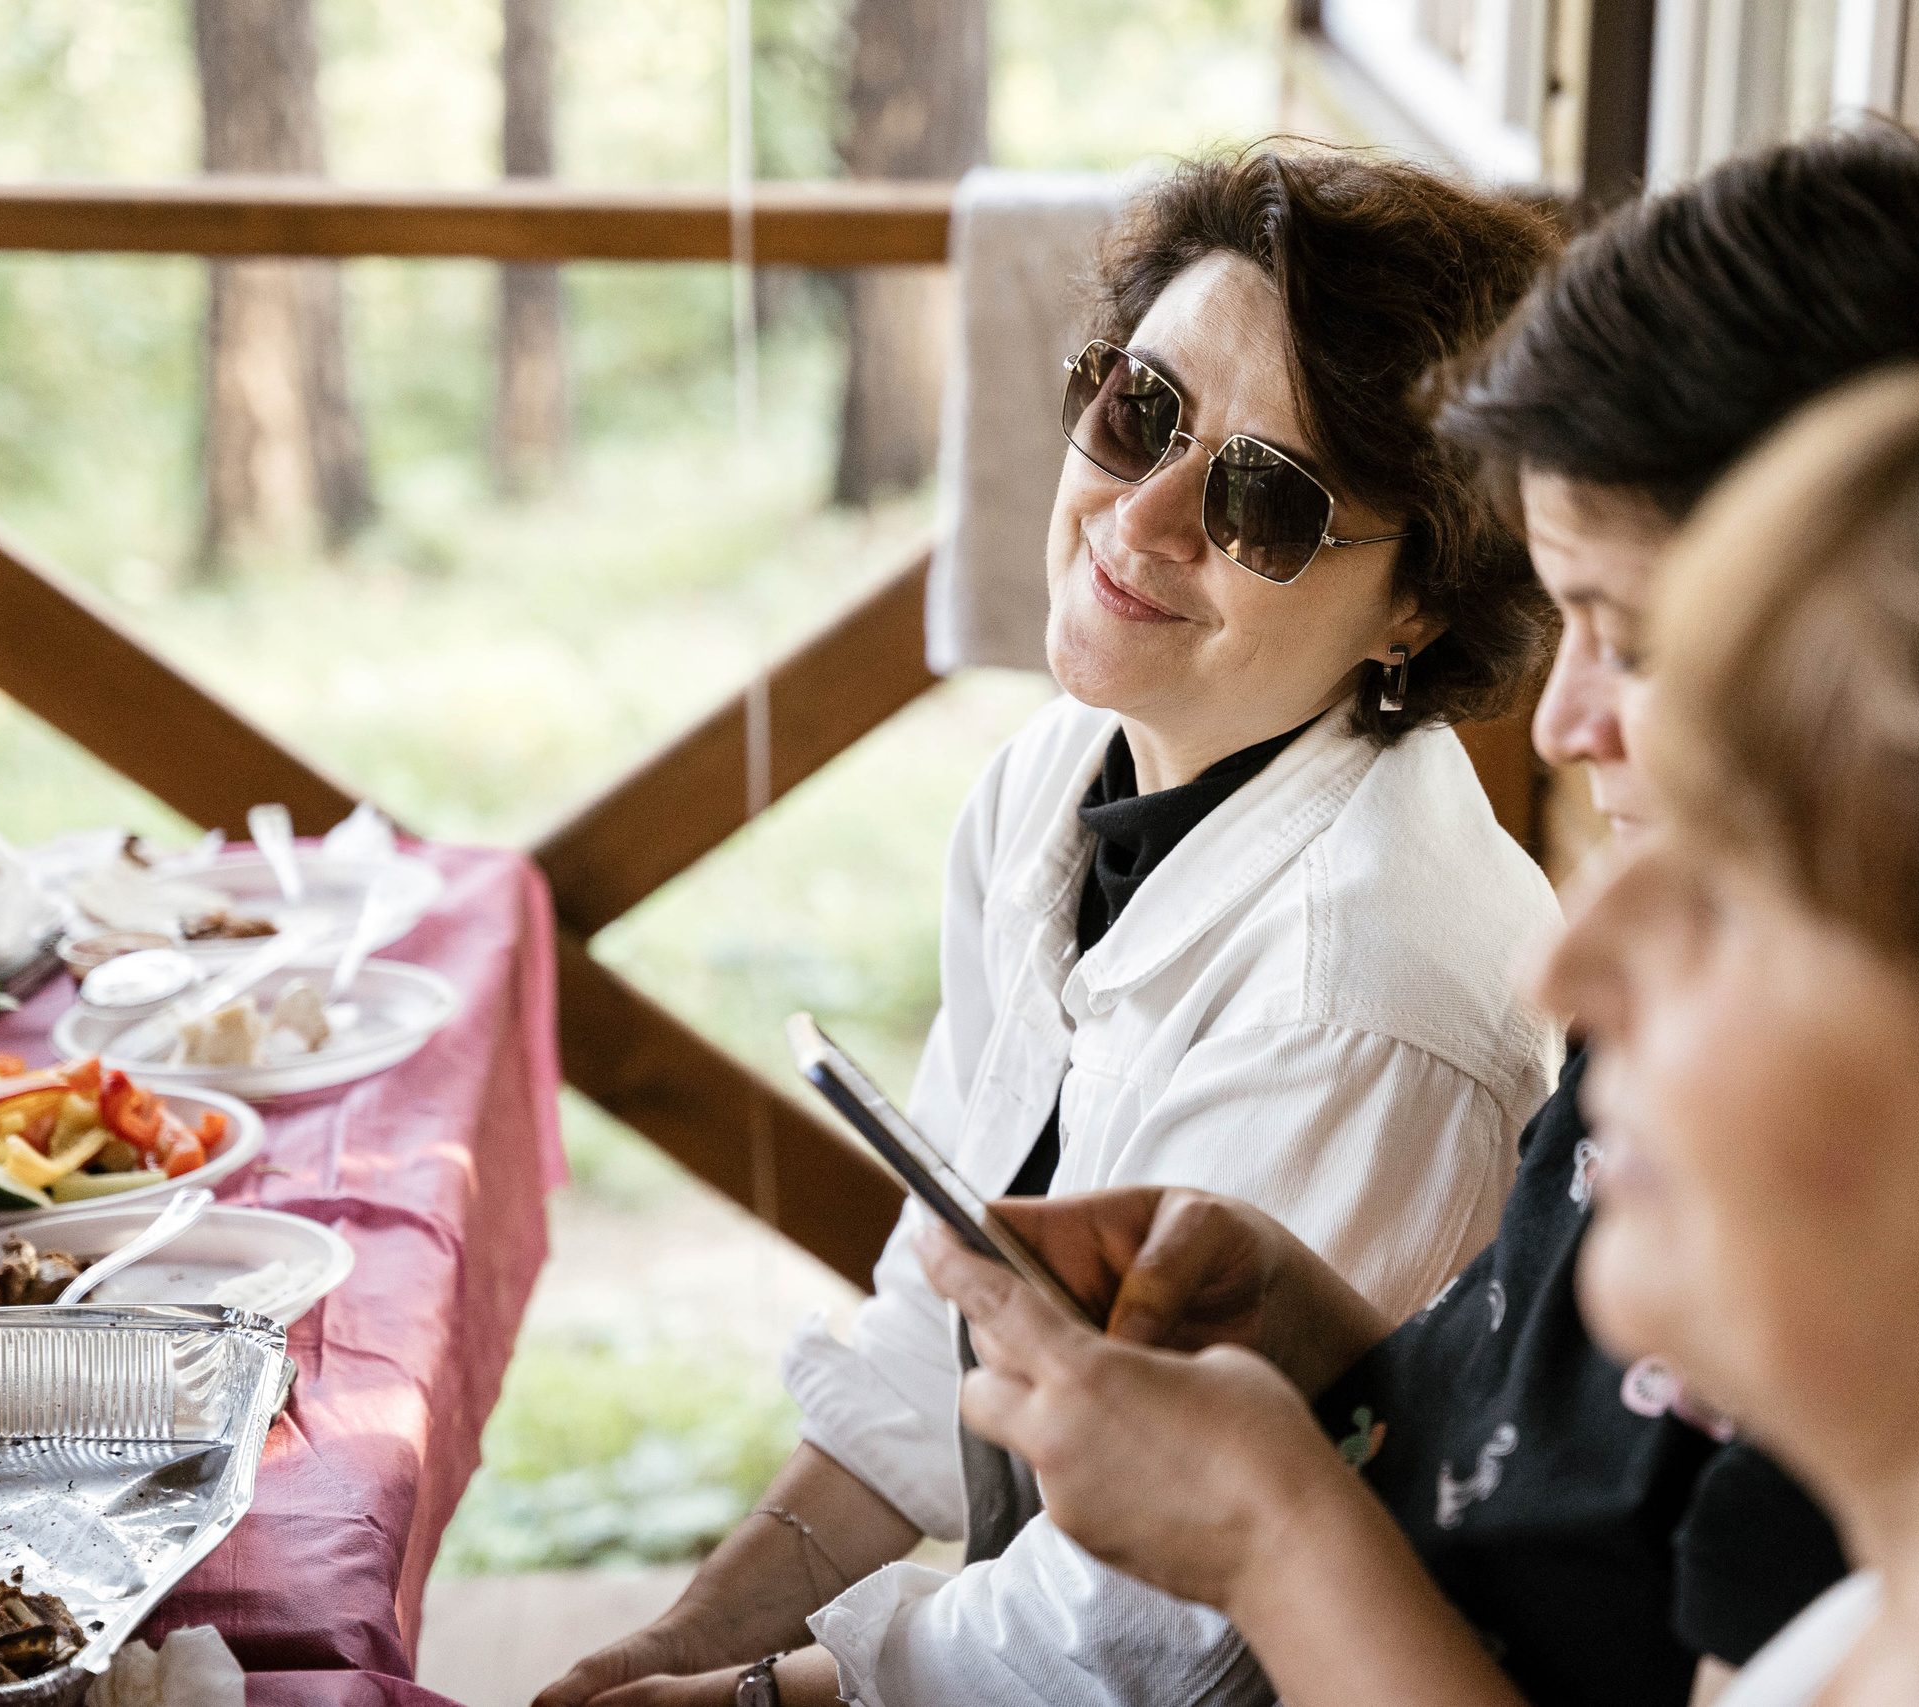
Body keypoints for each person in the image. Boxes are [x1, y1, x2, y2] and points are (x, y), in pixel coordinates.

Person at [923, 369, 1919, 1707]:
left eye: (1743, 882)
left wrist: (1272, 1531)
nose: (1566, 964)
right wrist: (1317, 1365)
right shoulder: (1874, 1631)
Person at [536, 148, 1567, 1707]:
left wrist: (757, 1698)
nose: (1139, 518)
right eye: (1139, 410)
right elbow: (932, 1306)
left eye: (1262, 502)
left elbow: (1130, 1631)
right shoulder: (1056, 784)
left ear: (1420, 602)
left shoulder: (1367, 994)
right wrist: (700, 1631)